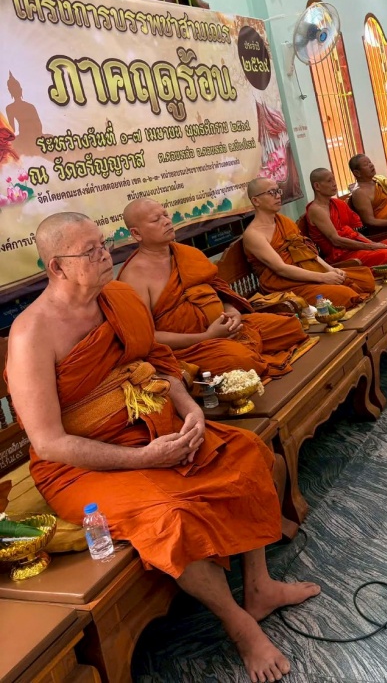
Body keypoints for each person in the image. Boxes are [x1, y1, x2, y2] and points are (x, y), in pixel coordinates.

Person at [5, 212, 320, 683]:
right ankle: (239, 625)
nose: (105, 256)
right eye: (90, 251)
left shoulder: (118, 299)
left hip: (153, 430)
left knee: (249, 453)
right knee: (171, 517)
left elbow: (157, 363)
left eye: (103, 244)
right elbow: (50, 444)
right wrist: (144, 459)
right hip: (80, 467)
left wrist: (191, 411)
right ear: (57, 266)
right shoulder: (32, 334)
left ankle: (260, 587)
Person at [118, 199, 309, 380]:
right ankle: (245, 357)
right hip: (191, 347)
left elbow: (218, 290)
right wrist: (207, 336)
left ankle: (249, 354)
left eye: (166, 215)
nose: (167, 221)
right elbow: (148, 338)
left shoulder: (187, 253)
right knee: (241, 361)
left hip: (227, 326)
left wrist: (232, 312)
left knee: (292, 327)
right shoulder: (134, 277)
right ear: (136, 234)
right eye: (156, 219)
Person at [243, 177, 375, 309]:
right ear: (256, 201)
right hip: (287, 285)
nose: (278, 196)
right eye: (271, 192)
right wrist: (323, 277)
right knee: (346, 294)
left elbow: (306, 251)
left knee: (365, 280)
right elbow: (281, 268)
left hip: (309, 272)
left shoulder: (283, 221)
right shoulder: (254, 235)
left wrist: (330, 269)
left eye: (278, 191)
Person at [305, 168, 387, 270]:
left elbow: (354, 233)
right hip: (342, 255)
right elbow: (336, 240)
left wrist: (372, 243)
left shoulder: (338, 203)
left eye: (334, 179)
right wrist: (371, 247)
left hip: (357, 246)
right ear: (317, 186)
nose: (334, 183)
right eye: (329, 181)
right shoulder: (316, 210)